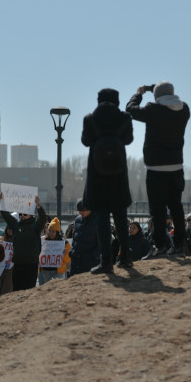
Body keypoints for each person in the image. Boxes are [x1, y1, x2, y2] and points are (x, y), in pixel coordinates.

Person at [126, 81, 190, 258]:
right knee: (176, 208)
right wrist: (154, 88)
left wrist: (139, 94)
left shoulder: (152, 109)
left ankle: (160, 246)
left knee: (157, 210)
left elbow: (130, 109)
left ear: (156, 96)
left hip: (156, 169)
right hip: (176, 167)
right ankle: (179, 246)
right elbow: (165, 95)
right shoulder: (184, 109)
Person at [81, 88, 134, 273]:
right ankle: (125, 257)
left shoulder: (90, 119)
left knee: (102, 220)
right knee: (121, 218)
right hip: (118, 175)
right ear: (117, 101)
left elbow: (85, 141)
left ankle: (106, 262)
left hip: (97, 176)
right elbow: (128, 139)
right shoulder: (125, 118)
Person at [0, 194, 47, 291]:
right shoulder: (15, 225)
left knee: (29, 290)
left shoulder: (35, 226)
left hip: (31, 263)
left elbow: (43, 218)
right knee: (17, 289)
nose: (22, 216)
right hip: (18, 263)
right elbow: (5, 215)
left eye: (25, 214)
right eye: (20, 214)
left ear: (30, 214)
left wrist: (38, 206)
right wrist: (1, 201)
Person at [68, 199, 100, 277]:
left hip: (90, 262)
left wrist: (94, 255)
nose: (80, 212)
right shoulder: (77, 220)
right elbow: (74, 238)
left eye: (82, 210)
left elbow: (102, 242)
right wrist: (72, 251)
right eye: (79, 210)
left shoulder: (98, 220)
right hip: (75, 261)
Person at [38, 218, 70, 284]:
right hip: (46, 270)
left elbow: (68, 259)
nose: (51, 233)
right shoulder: (43, 242)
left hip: (59, 270)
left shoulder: (64, 244)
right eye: (49, 231)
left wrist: (65, 253)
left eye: (53, 231)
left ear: (57, 232)